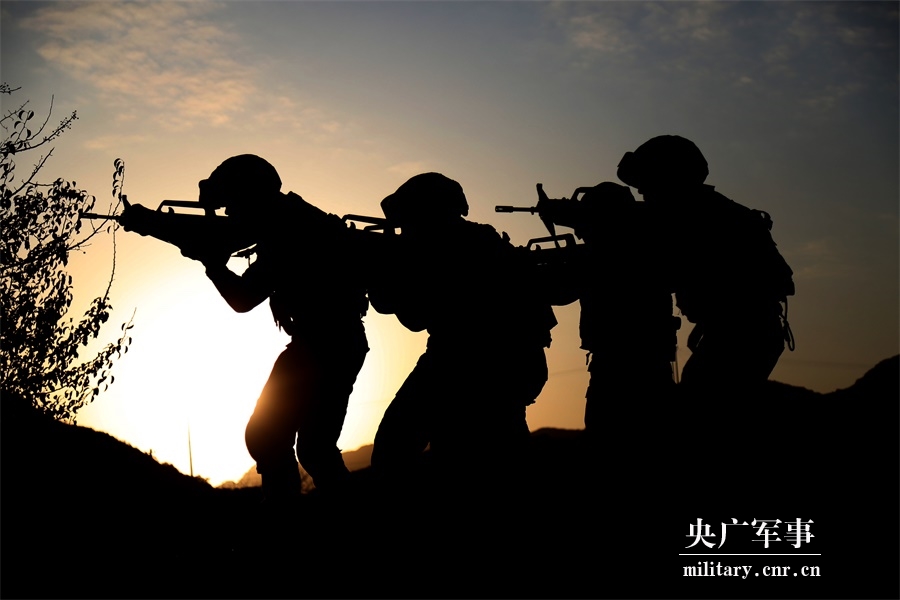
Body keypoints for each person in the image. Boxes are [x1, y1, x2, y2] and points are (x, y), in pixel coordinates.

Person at [122, 154, 369, 504]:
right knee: (306, 446)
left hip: (325, 343)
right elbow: (227, 241)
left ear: (249, 197)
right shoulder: (287, 219)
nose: (229, 214)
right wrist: (157, 226)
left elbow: (243, 297)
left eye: (231, 205)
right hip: (332, 342)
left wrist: (210, 263)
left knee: (276, 438)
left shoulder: (286, 227)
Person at [367, 173, 557, 507]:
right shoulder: (482, 241)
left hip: (466, 363)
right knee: (495, 459)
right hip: (502, 364)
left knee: (399, 450)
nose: (405, 231)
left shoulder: (455, 250)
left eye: (409, 221)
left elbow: (414, 317)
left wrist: (381, 277)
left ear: (429, 214)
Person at [616, 135, 795, 398]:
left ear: (671, 179)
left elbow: (672, 268)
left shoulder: (703, 216)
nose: (642, 193)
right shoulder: (707, 211)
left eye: (648, 184)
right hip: (739, 330)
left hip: (742, 334)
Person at [536, 182, 679, 439]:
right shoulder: (649, 245)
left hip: (615, 368)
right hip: (651, 365)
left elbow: (560, 291)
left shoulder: (606, 253)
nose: (582, 232)